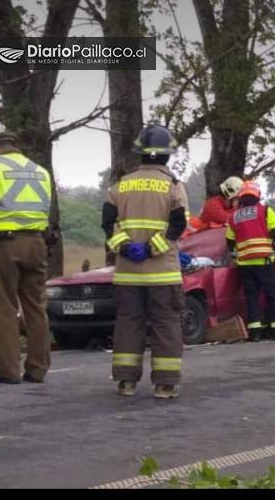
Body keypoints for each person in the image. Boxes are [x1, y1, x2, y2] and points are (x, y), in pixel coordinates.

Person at [102, 124, 188, 399]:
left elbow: (107, 225)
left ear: (140, 154)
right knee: (166, 324)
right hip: (162, 274)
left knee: (128, 323)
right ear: (166, 156)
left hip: (128, 273)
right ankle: (165, 384)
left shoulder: (120, 186)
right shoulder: (173, 187)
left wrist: (126, 248)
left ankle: (125, 382)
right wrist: (152, 249)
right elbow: (177, 227)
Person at [0, 132, 53, 384]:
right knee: (37, 307)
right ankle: (37, 369)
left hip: (6, 243)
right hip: (37, 242)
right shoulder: (40, 171)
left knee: (6, 306)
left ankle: (8, 370)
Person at [226, 180, 275, 341]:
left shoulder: (233, 216)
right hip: (264, 261)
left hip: (245, 265)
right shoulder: (265, 211)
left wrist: (235, 258)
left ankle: (255, 333)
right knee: (273, 295)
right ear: (257, 195)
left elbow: (230, 242)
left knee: (251, 297)